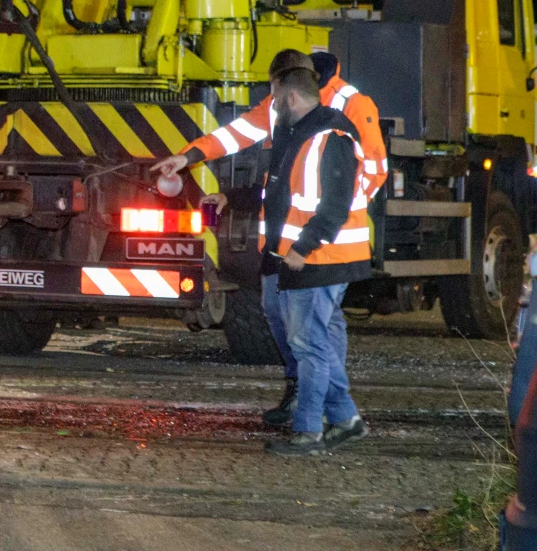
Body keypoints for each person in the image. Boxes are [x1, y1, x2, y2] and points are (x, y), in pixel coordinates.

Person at [151, 48, 386, 428]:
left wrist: (322, 232)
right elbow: (239, 137)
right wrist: (190, 157)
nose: (270, 102)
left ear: (290, 88)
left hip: (320, 249)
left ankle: (315, 413)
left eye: (273, 92)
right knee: (297, 327)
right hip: (284, 246)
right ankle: (328, 407)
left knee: (312, 336)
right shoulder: (285, 107)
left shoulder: (350, 106)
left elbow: (369, 175)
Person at [257, 67, 370, 455]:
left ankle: (309, 433)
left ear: (291, 98)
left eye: (275, 98)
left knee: (308, 346)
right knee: (312, 342)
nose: (272, 106)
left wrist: (302, 248)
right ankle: (345, 420)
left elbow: (335, 206)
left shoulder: (330, 136)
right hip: (308, 258)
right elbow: (281, 196)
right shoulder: (303, 134)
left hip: (320, 259)